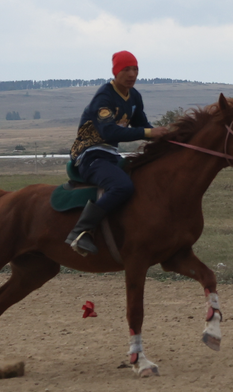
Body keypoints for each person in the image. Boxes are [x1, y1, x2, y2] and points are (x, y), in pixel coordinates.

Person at [64, 51, 170, 256]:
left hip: (111, 155)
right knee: (121, 186)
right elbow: (108, 131)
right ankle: (81, 231)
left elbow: (142, 126)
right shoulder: (104, 97)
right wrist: (149, 132)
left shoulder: (134, 96)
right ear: (115, 72)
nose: (132, 74)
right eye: (126, 69)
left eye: (135, 69)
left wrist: (167, 136)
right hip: (90, 155)